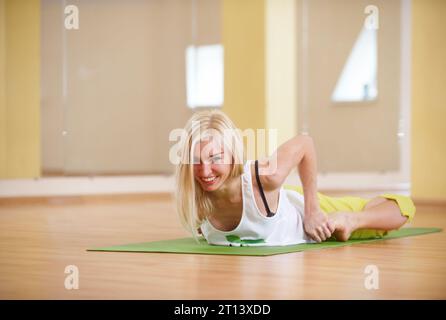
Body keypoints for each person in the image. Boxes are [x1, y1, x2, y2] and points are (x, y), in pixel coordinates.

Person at [174, 109, 416, 246]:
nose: (204, 171)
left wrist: (312, 211)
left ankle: (352, 219)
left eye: (215, 158)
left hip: (297, 208)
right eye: (196, 160)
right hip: (279, 212)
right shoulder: (195, 195)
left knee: (401, 207)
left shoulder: (264, 176)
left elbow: (305, 143)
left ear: (233, 154)